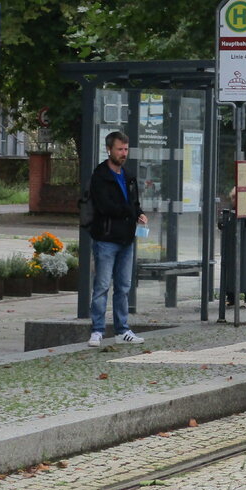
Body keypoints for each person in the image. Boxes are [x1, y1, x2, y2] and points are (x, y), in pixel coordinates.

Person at [87, 131, 147, 346]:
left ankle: (122, 330)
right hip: (106, 238)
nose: (123, 153)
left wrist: (138, 213)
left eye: (125, 149)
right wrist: (129, 211)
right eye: (119, 149)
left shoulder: (129, 176)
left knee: (123, 286)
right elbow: (104, 206)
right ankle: (97, 330)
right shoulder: (100, 176)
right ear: (109, 150)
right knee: (102, 285)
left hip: (126, 239)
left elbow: (135, 202)